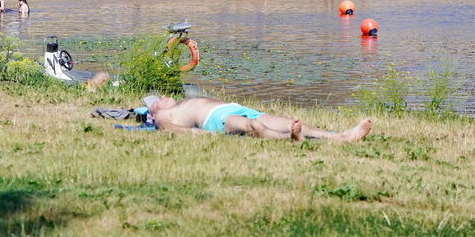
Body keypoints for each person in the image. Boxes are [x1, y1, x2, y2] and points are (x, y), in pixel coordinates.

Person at [145, 95, 373, 142]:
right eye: (157, 99)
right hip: (217, 119)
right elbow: (168, 129)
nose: (163, 96)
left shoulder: (181, 101)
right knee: (254, 126)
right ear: (152, 111)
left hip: (239, 108)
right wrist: (201, 134)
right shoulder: (164, 115)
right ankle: (291, 139)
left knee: (288, 122)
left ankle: (342, 137)